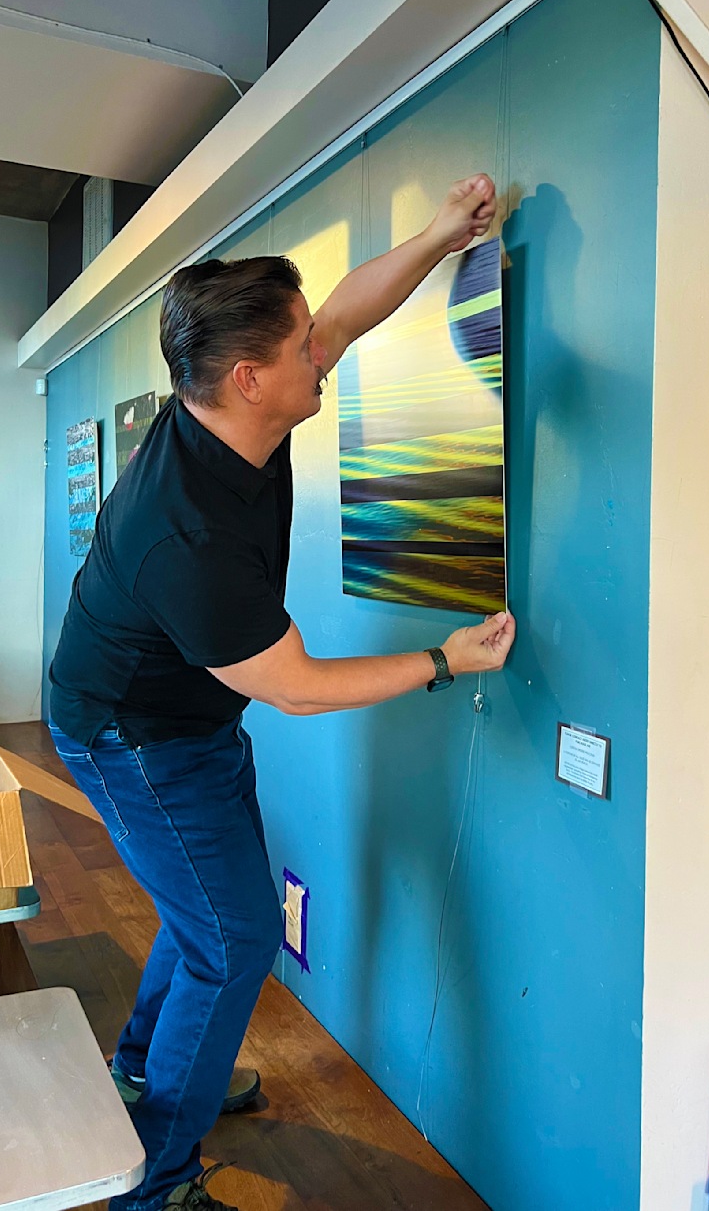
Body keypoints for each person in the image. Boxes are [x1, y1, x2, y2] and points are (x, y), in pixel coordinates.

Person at [47, 173, 516, 1211]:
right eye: (302, 347)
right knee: (238, 932)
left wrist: (440, 237)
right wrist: (444, 661)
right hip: (128, 731)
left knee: (207, 908)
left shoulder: (242, 409)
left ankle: (141, 1068)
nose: (324, 351)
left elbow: (345, 308)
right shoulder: (188, 534)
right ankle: (156, 1178)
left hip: (189, 714)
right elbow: (297, 688)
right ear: (251, 378)